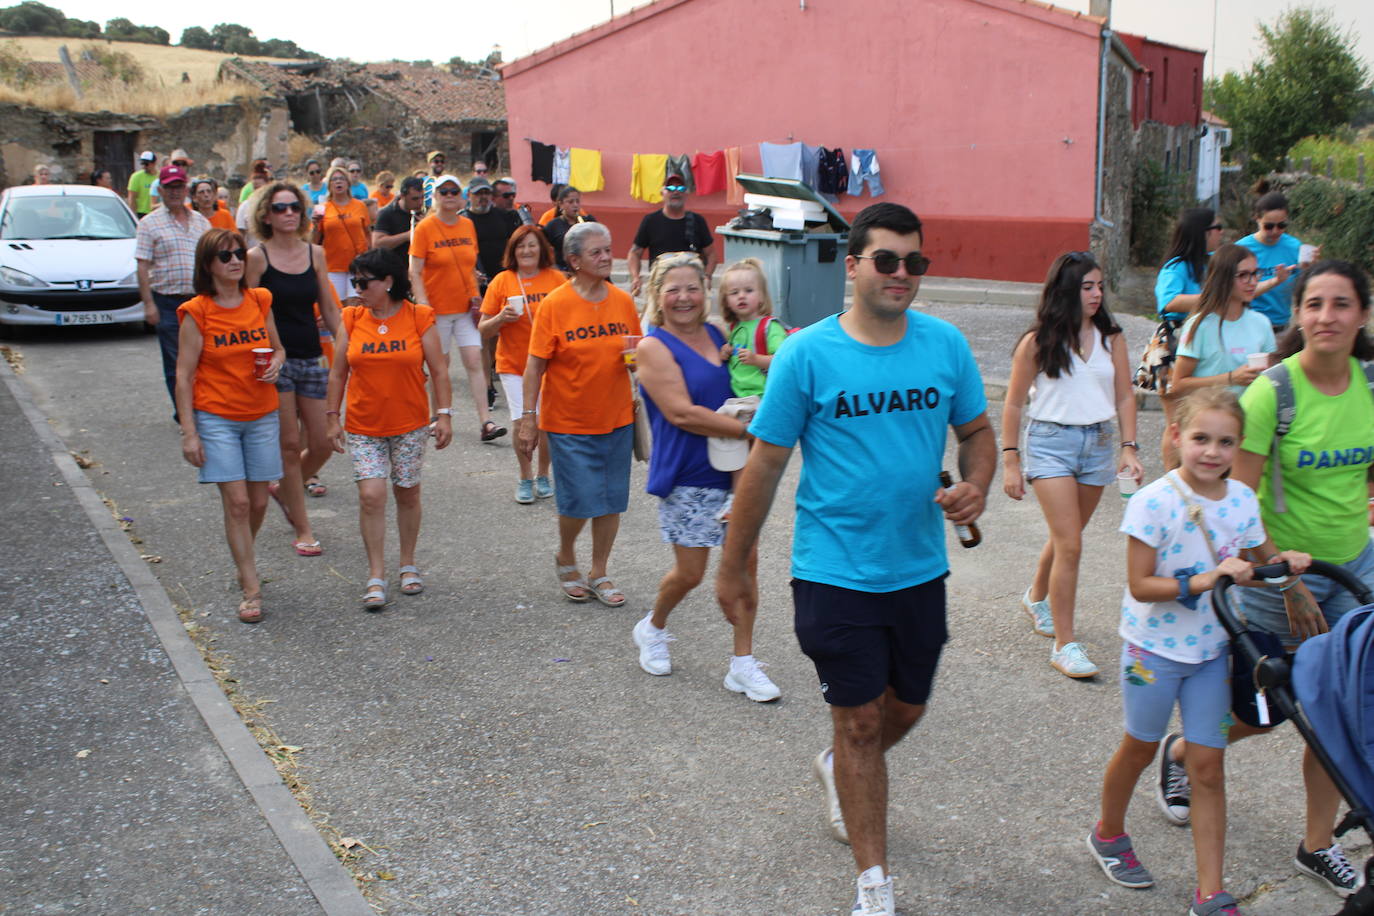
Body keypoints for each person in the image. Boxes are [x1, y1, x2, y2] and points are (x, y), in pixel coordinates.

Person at [715, 202, 995, 916]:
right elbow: (767, 466)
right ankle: (875, 885)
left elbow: (978, 432)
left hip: (918, 569)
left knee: (907, 706)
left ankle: (840, 769)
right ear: (853, 267)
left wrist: (977, 484)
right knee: (861, 720)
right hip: (832, 568)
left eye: (915, 263)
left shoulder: (945, 346)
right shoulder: (808, 355)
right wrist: (733, 564)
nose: (902, 275)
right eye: (887, 261)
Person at [1166, 260, 1374, 899]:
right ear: (1299, 314)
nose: (1326, 317)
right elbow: (1240, 502)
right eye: (1314, 304)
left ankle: (1317, 843)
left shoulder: (1371, 385)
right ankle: (1179, 753)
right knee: (1262, 714)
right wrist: (1286, 580)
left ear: (1363, 315)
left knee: (1340, 715)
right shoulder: (1272, 393)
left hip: (1353, 570)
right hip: (1276, 578)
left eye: (1341, 304)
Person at [1088, 387, 1310, 916]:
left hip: (1212, 651)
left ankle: (1210, 892)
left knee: (1209, 768)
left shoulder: (1240, 501)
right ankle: (1108, 834)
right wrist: (1206, 579)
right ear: (1175, 437)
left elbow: (1257, 562)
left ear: (1239, 446)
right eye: (1201, 438)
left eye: (1226, 442)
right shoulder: (1152, 502)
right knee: (1139, 748)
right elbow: (1141, 586)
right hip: (1152, 652)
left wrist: (1286, 565)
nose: (1212, 451)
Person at [631, 252, 779, 700]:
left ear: (705, 292)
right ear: (657, 295)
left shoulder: (719, 334)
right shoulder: (652, 347)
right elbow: (681, 414)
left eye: (692, 288)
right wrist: (753, 429)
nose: (683, 297)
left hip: (736, 472)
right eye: (672, 289)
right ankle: (653, 626)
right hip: (688, 474)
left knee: (745, 566)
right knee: (691, 574)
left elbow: (747, 385)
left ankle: (743, 663)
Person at [1002, 251, 1144, 679]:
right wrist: (1011, 460)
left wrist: (1129, 447)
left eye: (1100, 285)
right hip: (1051, 443)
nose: (1097, 294)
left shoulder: (1112, 338)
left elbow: (1124, 396)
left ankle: (1036, 595)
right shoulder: (1037, 341)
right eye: (1088, 286)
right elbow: (1011, 404)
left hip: (1098, 442)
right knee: (1071, 544)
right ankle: (1066, 645)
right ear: (1067, 290)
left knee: (1069, 537)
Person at [518, 222, 642, 608]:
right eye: (596, 252)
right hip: (568, 423)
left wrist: (643, 367)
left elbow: (635, 354)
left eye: (608, 250)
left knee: (610, 501)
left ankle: (599, 571)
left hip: (617, 418)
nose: (607, 257)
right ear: (574, 261)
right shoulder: (555, 304)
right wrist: (527, 418)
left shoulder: (622, 301)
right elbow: (534, 366)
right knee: (578, 501)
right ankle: (566, 553)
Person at [324, 249, 452, 610]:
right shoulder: (350, 319)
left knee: (407, 493)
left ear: (389, 282)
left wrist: (444, 415)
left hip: (410, 424)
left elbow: (439, 371)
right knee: (372, 495)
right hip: (364, 426)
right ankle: (376, 574)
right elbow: (337, 373)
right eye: (355, 282)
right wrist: (331, 416)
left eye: (364, 282)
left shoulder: (418, 317)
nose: (357, 289)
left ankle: (407, 563)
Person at [173, 228, 285, 624]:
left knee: (257, 502)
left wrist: (277, 362)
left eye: (238, 253)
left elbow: (277, 346)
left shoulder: (260, 299)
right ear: (208, 266)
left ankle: (243, 558)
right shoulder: (196, 311)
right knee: (237, 503)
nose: (235, 260)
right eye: (225, 256)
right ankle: (251, 587)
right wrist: (190, 432)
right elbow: (184, 375)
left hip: (261, 413)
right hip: (216, 416)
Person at [245, 181, 342, 556]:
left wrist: (351, 350)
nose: (288, 214)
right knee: (288, 445)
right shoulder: (256, 258)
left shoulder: (315, 253)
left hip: (313, 355)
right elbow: (249, 311)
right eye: (280, 208)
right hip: (275, 359)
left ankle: (285, 488)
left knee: (322, 441)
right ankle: (302, 528)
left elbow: (330, 309)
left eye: (294, 208)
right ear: (265, 216)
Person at [409, 173, 504, 442]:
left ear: (461, 195)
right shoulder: (425, 228)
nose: (450, 196)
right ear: (435, 196)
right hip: (436, 308)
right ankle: (436, 415)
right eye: (444, 192)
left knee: (474, 360)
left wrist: (476, 290)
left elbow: (470, 263)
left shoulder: (467, 225)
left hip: (465, 306)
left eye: (454, 191)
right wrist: (423, 303)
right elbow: (414, 271)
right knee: (440, 364)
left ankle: (486, 421)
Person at [477, 225, 564, 503]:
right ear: (512, 251)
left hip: (550, 365)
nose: (526, 251)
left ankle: (542, 474)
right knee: (521, 423)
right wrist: (501, 318)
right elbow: (483, 329)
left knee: (545, 424)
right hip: (514, 364)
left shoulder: (557, 279)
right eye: (520, 246)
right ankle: (525, 477)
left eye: (532, 245)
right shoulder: (502, 281)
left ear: (542, 249)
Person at [135, 164, 212, 420]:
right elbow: (142, 265)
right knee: (176, 361)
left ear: (185, 188)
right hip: (167, 301)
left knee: (205, 357)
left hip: (199, 300)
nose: (174, 192)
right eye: (169, 187)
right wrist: (148, 304)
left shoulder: (201, 222)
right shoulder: (149, 223)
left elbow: (210, 262)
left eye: (178, 186)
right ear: (161, 190)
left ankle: (203, 407)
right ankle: (184, 413)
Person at [1154, 208, 1224, 467]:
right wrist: (1212, 299)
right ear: (1202, 233)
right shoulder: (1177, 267)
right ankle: (1173, 479)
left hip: (1199, 343)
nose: (1222, 232)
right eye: (1218, 228)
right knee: (1176, 421)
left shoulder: (1212, 261)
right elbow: (1168, 301)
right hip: (1173, 346)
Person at [1170, 244, 1275, 401]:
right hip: (1207, 418)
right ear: (1222, 278)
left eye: (1255, 274)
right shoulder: (1199, 326)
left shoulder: (1262, 323)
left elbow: (1273, 374)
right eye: (1243, 275)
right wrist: (1230, 378)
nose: (1252, 282)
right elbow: (1178, 385)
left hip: (1250, 418)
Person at [1236, 190, 1317, 334]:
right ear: (1257, 219)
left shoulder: (1294, 246)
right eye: (1269, 226)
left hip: (1282, 327)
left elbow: (1304, 290)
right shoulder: (1241, 249)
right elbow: (1233, 292)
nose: (1275, 231)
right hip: (1247, 327)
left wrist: (1309, 270)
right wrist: (1276, 281)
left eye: (1281, 225)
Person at [627, 173, 717, 297]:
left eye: (680, 188)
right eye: (670, 188)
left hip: (690, 287)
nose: (676, 192)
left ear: (686, 194)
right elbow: (634, 253)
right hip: (660, 287)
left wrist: (707, 277)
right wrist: (636, 277)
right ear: (662, 192)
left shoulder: (697, 221)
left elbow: (711, 254)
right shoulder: (650, 221)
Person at [312, 165, 372, 306]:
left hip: (357, 264)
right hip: (333, 266)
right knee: (337, 306)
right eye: (334, 179)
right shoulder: (322, 208)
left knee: (355, 304)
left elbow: (368, 232)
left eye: (341, 179)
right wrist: (315, 225)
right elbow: (315, 241)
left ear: (348, 182)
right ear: (329, 185)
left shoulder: (360, 206)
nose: (338, 182)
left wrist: (370, 256)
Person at [371, 176, 425, 266]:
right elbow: (377, 244)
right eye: (415, 199)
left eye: (422, 197)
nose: (420, 202)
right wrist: (407, 235)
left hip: (419, 267)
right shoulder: (387, 213)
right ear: (402, 196)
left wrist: (428, 225)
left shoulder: (425, 212)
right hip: (394, 268)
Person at [543, 186, 596, 272]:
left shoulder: (589, 221)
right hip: (562, 270)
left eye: (577, 201)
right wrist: (555, 268)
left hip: (586, 269)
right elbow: (542, 249)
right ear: (561, 204)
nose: (575, 205)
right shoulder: (553, 225)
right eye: (570, 202)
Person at [128, 151, 158, 217]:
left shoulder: (160, 176)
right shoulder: (136, 177)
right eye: (142, 163)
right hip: (141, 213)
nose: (144, 166)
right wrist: (133, 215)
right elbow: (132, 198)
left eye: (146, 164)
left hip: (157, 211)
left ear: (154, 163)